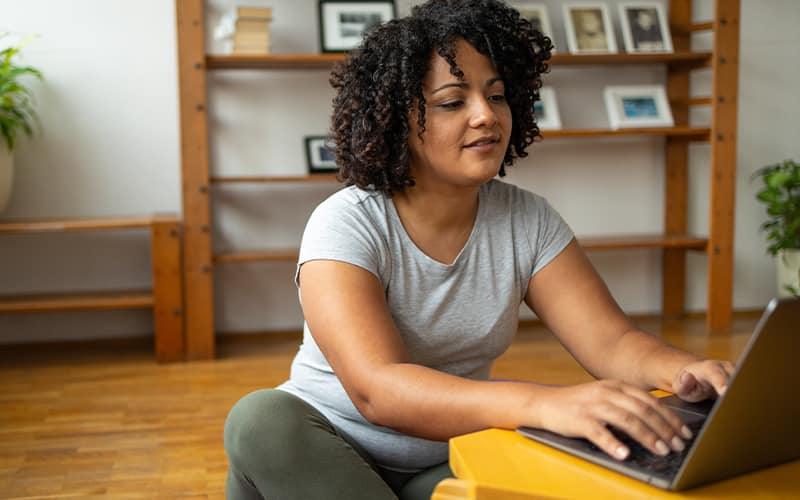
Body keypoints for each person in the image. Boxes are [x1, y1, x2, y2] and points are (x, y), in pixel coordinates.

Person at [223, 1, 734, 499]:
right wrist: (543, 403)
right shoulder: (346, 222)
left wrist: (686, 373)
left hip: (443, 460)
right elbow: (378, 389)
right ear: (397, 119)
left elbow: (612, 342)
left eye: (497, 95)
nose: (486, 115)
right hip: (316, 455)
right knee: (260, 418)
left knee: (572, 455)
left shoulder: (527, 220)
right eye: (453, 102)